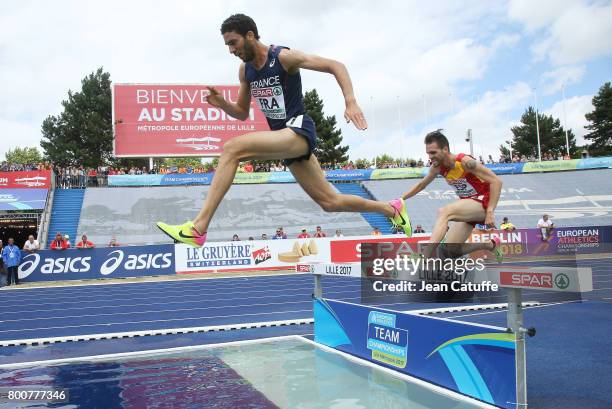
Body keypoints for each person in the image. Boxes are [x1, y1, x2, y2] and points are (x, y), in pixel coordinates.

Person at [156, 13, 410, 247]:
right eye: (227, 46)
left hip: (298, 130)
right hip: (284, 141)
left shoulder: (284, 57)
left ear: (250, 36)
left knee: (232, 149)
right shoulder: (246, 71)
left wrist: (351, 101)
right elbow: (242, 113)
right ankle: (392, 209)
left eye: (233, 43)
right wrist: (223, 104)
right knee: (330, 202)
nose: (231, 51)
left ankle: (198, 228)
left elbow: (336, 65)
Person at [399, 130, 503, 261]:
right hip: (469, 206)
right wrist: (400, 199)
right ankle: (490, 244)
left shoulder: (465, 162)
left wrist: (490, 211)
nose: (430, 157)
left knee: (444, 212)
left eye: (433, 152)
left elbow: (496, 182)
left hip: (484, 202)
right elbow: (421, 185)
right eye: (428, 153)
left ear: (445, 149)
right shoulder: (437, 167)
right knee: (451, 250)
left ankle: (425, 256)